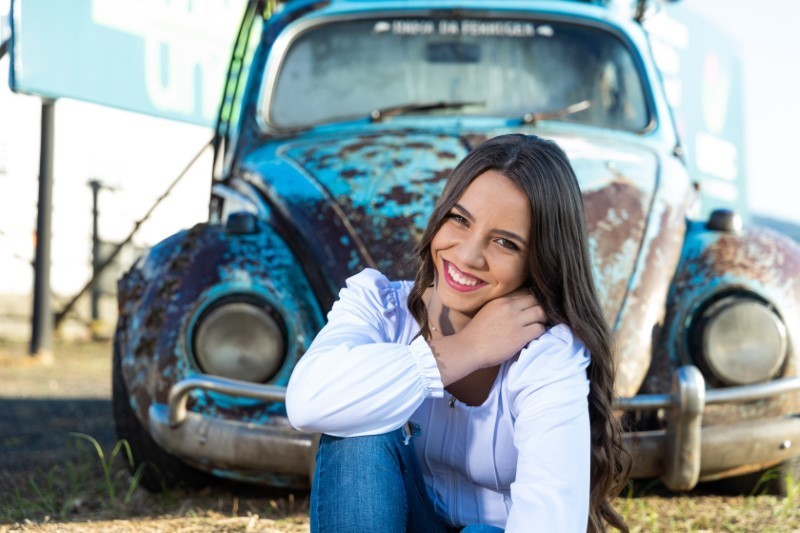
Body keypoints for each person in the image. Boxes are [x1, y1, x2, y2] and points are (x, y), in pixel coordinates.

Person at [286, 134, 630, 532]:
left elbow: (550, 521)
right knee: (357, 426)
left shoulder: (548, 354)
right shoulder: (380, 307)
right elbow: (306, 403)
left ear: (541, 260)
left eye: (505, 243)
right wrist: (466, 349)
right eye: (460, 220)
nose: (467, 256)